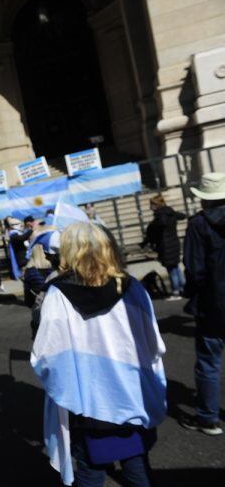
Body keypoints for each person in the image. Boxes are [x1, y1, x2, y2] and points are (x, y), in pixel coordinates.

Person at [31, 222, 166, 486]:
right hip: (131, 396)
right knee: (137, 467)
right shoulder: (132, 288)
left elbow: (47, 356)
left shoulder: (58, 295)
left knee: (90, 471)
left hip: (87, 403)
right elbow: (154, 346)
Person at [180, 172, 225, 436]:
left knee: (209, 361)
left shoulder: (199, 224)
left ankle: (208, 418)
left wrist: (193, 292)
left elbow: (195, 268)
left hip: (213, 302)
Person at [140, 195, 187, 300]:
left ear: (156, 205)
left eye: (151, 204)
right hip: (174, 243)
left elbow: (158, 227)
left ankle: (176, 291)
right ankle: (183, 288)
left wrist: (152, 227)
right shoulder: (170, 213)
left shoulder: (160, 216)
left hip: (166, 245)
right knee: (175, 267)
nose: (150, 207)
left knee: (171, 269)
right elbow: (182, 215)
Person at [23, 244, 53, 338]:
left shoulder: (29, 272)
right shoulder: (54, 269)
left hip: (39, 306)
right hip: (55, 304)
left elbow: (28, 294)